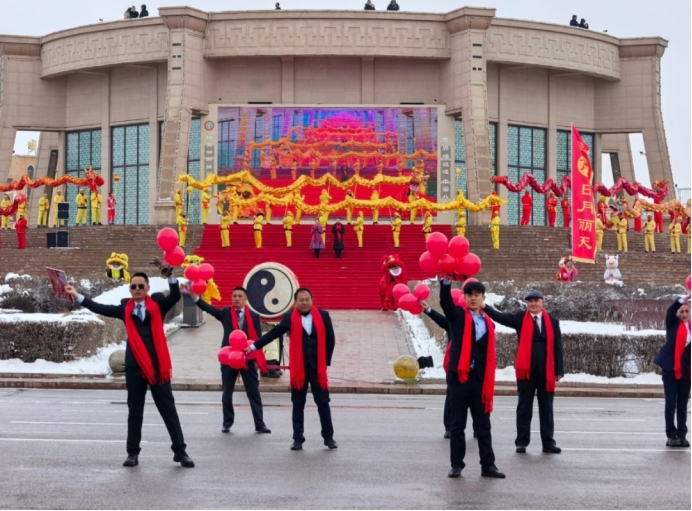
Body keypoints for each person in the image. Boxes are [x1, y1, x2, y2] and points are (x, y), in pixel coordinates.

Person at [64, 268, 195, 468]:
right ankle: (132, 453)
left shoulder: (158, 305)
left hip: (157, 367)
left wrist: (170, 277)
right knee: (135, 411)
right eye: (133, 286)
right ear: (130, 289)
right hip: (135, 367)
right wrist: (77, 295)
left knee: (168, 410)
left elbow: (175, 296)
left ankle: (180, 451)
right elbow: (100, 308)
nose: (137, 289)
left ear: (147, 288)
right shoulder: (125, 309)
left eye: (140, 286)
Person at [246, 287, 337, 451]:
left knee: (323, 404)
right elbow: (273, 333)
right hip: (298, 370)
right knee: (298, 405)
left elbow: (331, 339)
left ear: (312, 300)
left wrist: (325, 362)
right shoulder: (289, 317)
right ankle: (298, 439)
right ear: (296, 302)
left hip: (317, 369)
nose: (305, 303)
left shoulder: (323, 315)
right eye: (301, 300)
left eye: (307, 299)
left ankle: (328, 437)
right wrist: (253, 346)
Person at [483, 290, 564, 454]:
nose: (533, 304)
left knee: (547, 409)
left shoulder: (553, 322)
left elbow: (558, 347)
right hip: (526, 372)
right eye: (530, 301)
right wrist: (484, 306)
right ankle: (521, 442)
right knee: (524, 408)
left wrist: (559, 370)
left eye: (536, 300)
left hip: (546, 372)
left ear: (542, 302)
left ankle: (548, 443)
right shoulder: (520, 318)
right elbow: (500, 317)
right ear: (526, 303)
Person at [439, 279, 504, 479]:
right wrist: (445, 283)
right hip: (460, 378)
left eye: (477, 295)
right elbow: (445, 303)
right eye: (469, 295)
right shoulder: (458, 316)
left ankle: (488, 466)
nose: (473, 298)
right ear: (465, 297)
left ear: (483, 297)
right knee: (458, 424)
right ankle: (456, 465)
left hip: (479, 379)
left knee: (483, 424)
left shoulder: (488, 322)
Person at [190, 286, 271, 435]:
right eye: (234, 296)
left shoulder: (254, 316)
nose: (237, 299)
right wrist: (194, 297)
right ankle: (227, 423)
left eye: (240, 296)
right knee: (227, 392)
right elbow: (209, 309)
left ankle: (260, 424)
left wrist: (256, 357)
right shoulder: (226, 313)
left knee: (254, 392)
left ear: (246, 299)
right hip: (229, 357)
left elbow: (258, 338)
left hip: (247, 358)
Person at [653, 293, 691, 447]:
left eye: (687, 311)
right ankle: (671, 435)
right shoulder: (672, 324)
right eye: (681, 311)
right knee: (671, 404)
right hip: (670, 368)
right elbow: (670, 310)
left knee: (682, 405)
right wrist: (683, 299)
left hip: (686, 370)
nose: (684, 314)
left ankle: (682, 435)